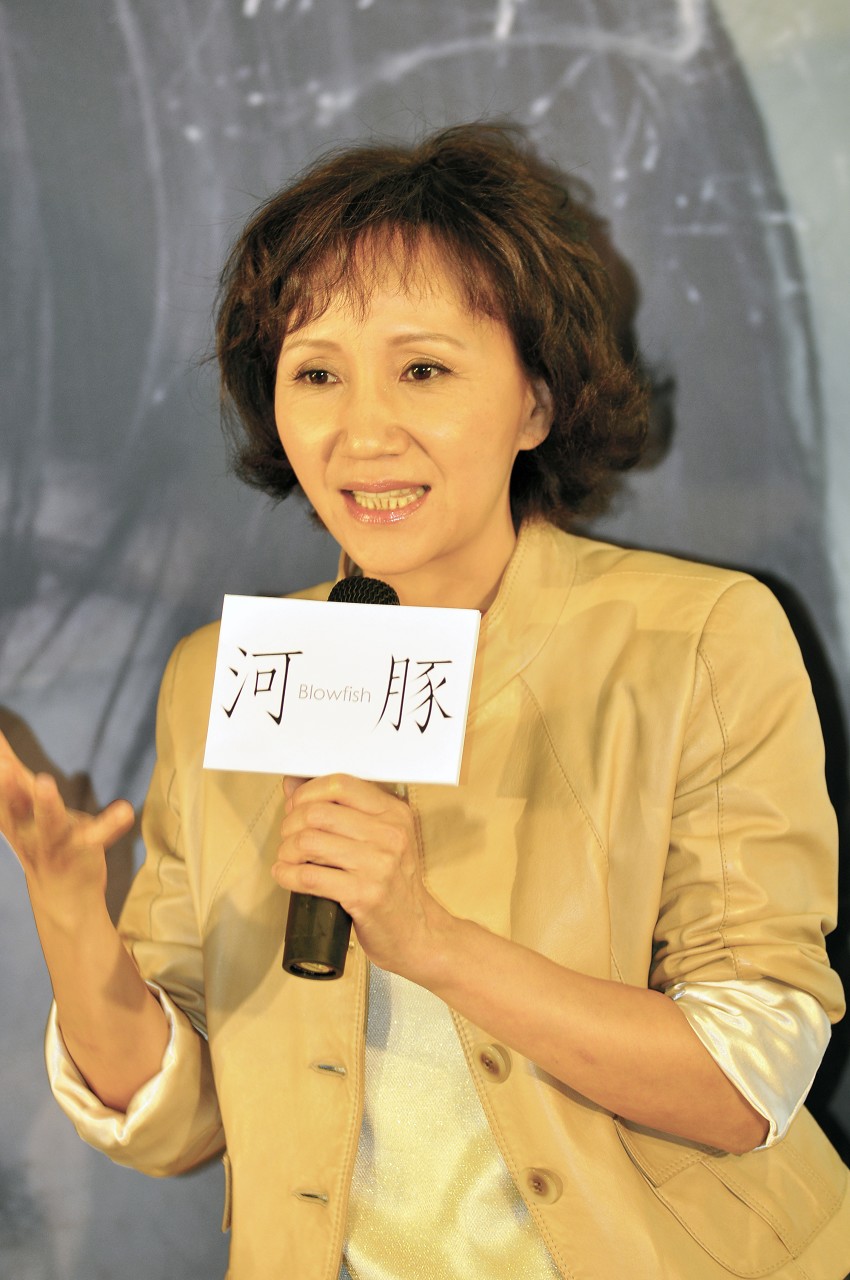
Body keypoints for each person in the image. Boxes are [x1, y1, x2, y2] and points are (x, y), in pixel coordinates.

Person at [1, 124, 848, 1280]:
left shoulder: (697, 637)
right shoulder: (222, 673)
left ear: (536, 401)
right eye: (316, 374)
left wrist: (431, 940)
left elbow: (747, 1081)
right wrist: (69, 918)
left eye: (423, 370)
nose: (363, 431)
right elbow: (181, 1120)